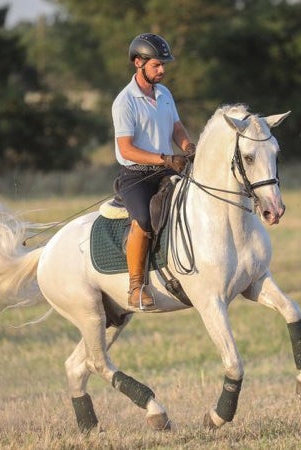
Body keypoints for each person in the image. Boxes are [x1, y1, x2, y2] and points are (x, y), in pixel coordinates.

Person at [112, 33, 195, 310]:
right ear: (138, 62)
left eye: (163, 65)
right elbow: (126, 150)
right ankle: (136, 287)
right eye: (157, 65)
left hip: (165, 167)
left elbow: (176, 127)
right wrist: (165, 158)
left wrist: (187, 146)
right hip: (137, 175)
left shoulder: (165, 93)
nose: (162, 70)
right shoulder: (125, 102)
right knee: (145, 221)